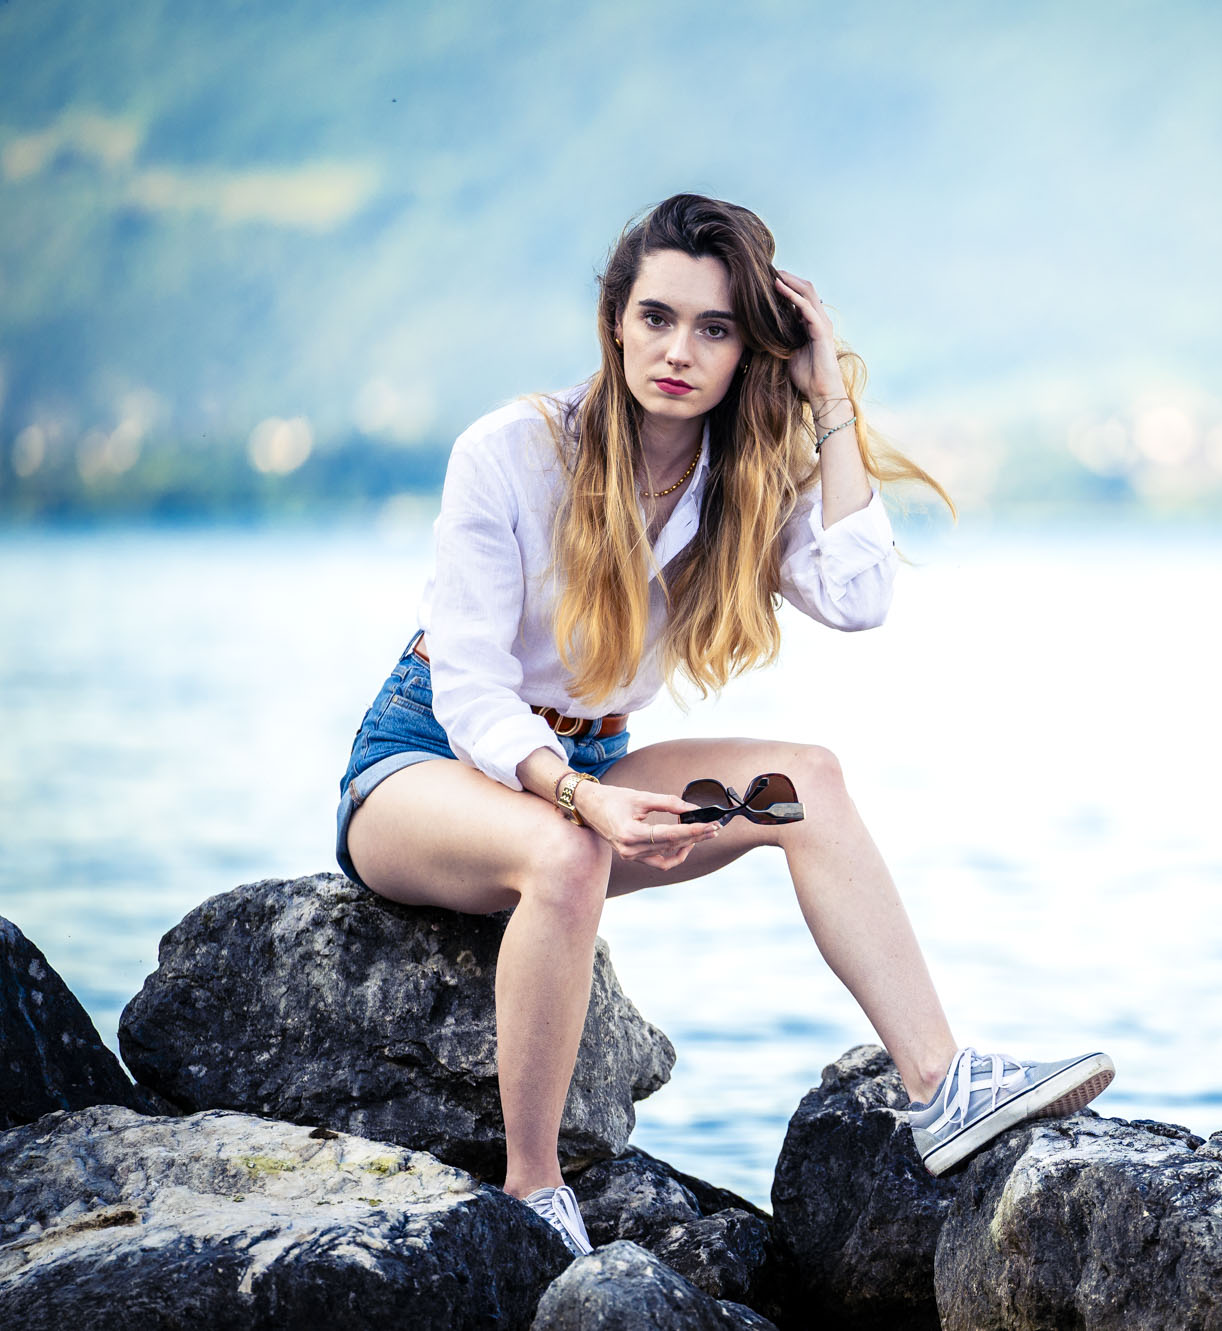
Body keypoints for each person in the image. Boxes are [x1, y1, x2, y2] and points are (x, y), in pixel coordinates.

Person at [331, 194, 1114, 1257]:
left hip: (592, 757)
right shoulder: (510, 450)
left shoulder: (739, 479)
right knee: (563, 853)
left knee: (808, 781)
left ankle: (939, 1084)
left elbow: (858, 593)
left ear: (750, 349)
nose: (677, 350)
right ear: (615, 319)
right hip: (427, 764)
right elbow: (470, 688)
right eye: (656, 317)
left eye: (714, 328)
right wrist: (580, 795)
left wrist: (826, 391)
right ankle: (531, 1188)